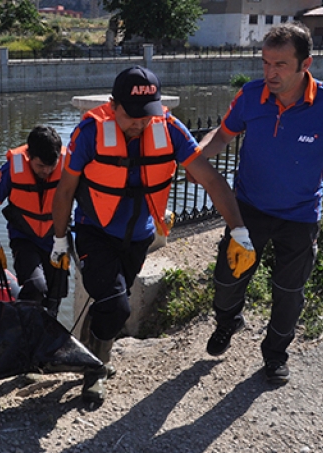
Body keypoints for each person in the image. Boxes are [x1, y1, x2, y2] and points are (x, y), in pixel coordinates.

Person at [51, 66, 254, 404]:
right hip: (94, 233)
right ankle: (95, 371)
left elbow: (212, 181)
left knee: (108, 304)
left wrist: (240, 232)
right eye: (131, 115)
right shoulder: (89, 132)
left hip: (140, 236)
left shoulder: (170, 130)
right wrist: (59, 241)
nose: (139, 123)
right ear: (113, 105)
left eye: (146, 115)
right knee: (117, 307)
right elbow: (65, 189)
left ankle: (87, 355)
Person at [197, 22, 323, 385]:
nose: (270, 73)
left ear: (306, 63)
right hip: (248, 210)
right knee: (227, 279)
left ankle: (275, 354)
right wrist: (197, 160)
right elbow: (222, 135)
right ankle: (228, 322)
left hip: (300, 216)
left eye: (280, 65)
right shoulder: (251, 96)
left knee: (289, 294)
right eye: (265, 63)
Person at [0, 125, 66, 316]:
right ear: (29, 157)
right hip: (24, 238)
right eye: (40, 166)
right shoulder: (13, 168)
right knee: (36, 287)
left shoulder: (69, 166)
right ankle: (16, 326)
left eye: (52, 166)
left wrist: (67, 241)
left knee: (54, 298)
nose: (47, 171)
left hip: (56, 239)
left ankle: (44, 341)